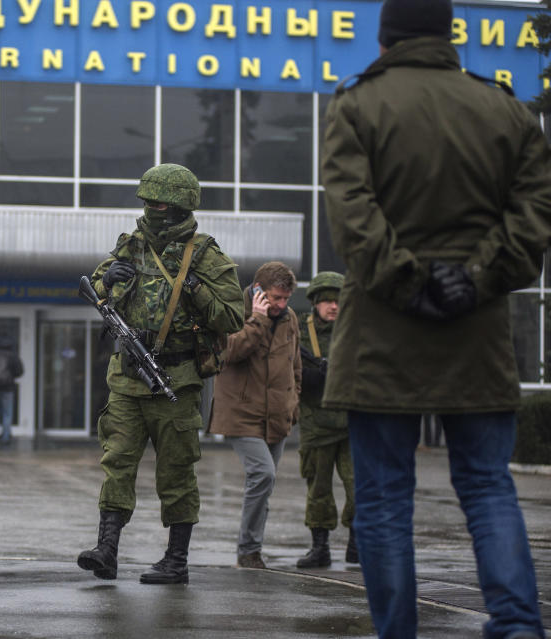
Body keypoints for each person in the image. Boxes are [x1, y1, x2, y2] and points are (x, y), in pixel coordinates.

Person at [321, 0, 551, 636]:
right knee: (486, 488)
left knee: (385, 500)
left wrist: (407, 279)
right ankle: (517, 626)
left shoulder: (357, 105)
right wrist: (476, 278)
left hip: (382, 335)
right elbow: (533, 215)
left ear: (385, 38)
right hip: (474, 330)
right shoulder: (504, 108)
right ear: (448, 33)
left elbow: (353, 217)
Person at [76, 163, 244, 585]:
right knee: (117, 463)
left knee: (176, 472)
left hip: (177, 381)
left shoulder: (206, 254)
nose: (153, 211)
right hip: (127, 379)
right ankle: (107, 551)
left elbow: (232, 317)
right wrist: (107, 282)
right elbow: (96, 288)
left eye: (161, 205)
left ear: (180, 206)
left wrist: (193, 288)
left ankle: (176, 560)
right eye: (148, 203)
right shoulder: (130, 246)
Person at [209, 261, 301, 569]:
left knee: (264, 484)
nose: (281, 305)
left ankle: (252, 550)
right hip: (241, 414)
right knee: (263, 474)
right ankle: (248, 551)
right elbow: (230, 352)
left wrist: (293, 402)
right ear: (259, 291)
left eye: (286, 299)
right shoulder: (233, 308)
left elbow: (295, 366)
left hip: (277, 415)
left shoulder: (290, 320)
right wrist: (258, 320)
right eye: (276, 298)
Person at [295, 271, 356, 569]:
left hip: (352, 424)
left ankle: (357, 542)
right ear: (316, 303)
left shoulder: (354, 331)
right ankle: (320, 547)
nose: (334, 306)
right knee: (318, 489)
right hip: (316, 424)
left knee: (359, 487)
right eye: (328, 301)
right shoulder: (302, 333)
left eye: (338, 301)